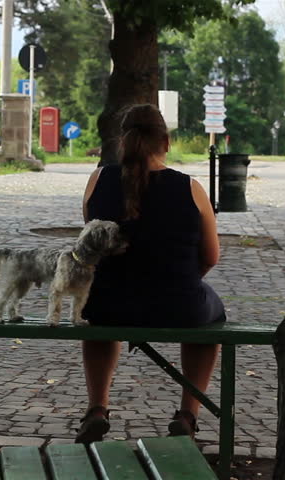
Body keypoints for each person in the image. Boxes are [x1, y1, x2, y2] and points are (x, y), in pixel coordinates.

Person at [75, 104, 226, 444]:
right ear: (167, 142)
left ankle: (97, 408)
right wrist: (183, 279)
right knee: (212, 319)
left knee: (99, 311)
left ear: (122, 141)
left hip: (110, 303)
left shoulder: (98, 181)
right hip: (177, 305)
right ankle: (188, 413)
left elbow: (92, 239)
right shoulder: (191, 188)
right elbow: (211, 257)